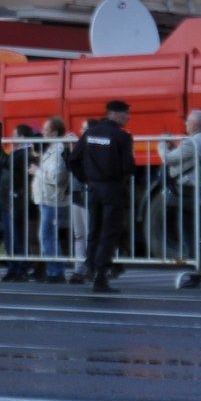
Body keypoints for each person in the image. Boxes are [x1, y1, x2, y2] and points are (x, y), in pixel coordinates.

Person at [77, 99, 136, 292]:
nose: (128, 118)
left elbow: (73, 159)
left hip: (94, 188)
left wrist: (86, 177)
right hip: (112, 188)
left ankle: (91, 267)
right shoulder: (122, 137)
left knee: (94, 229)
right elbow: (128, 166)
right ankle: (101, 276)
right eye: (126, 114)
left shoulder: (89, 133)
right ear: (116, 114)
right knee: (109, 232)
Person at [157, 109, 201, 268]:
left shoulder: (192, 142)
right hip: (197, 193)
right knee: (198, 233)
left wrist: (161, 143)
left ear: (196, 124)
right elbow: (185, 159)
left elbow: (167, 159)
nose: (186, 123)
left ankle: (197, 268)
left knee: (190, 234)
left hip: (188, 193)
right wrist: (174, 146)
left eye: (188, 121)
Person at [31, 118, 72, 281]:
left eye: (46, 129)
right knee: (48, 236)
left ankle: (56, 272)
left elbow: (57, 178)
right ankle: (54, 270)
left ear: (55, 132)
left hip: (53, 200)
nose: (43, 132)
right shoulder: (52, 149)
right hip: (47, 199)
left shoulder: (58, 151)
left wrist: (37, 171)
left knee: (47, 236)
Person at [0, 123, 38, 281]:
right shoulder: (18, 153)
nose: (12, 139)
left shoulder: (24, 154)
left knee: (16, 236)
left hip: (16, 200)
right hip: (9, 200)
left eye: (15, 135)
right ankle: (14, 268)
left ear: (22, 137)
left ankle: (20, 267)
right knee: (11, 236)